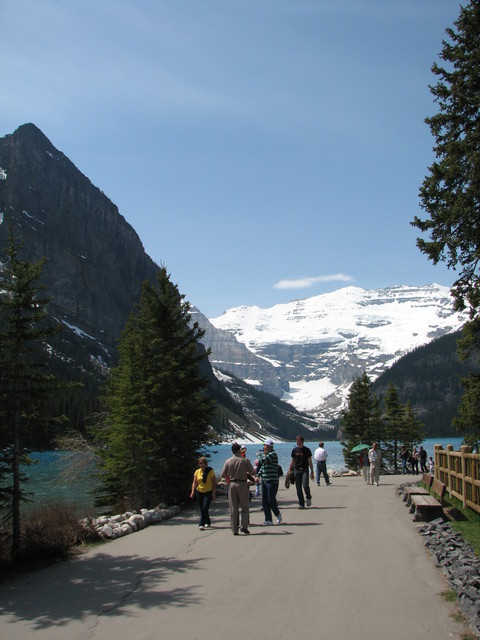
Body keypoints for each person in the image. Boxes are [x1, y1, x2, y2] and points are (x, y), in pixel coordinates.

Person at [220, 443, 255, 535]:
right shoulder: (245, 460)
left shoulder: (228, 461)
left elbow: (223, 474)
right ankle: (244, 526)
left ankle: (234, 529)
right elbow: (252, 471)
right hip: (243, 483)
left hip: (232, 484)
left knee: (233, 507)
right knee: (245, 506)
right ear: (240, 450)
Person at [256, 438, 282, 525]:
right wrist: (258, 476)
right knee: (264, 501)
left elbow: (261, 461)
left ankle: (277, 513)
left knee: (271, 499)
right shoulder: (266, 455)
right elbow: (262, 467)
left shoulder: (272, 454)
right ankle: (268, 519)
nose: (264, 447)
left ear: (268, 446)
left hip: (272, 481)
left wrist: (259, 456)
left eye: (264, 445)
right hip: (264, 480)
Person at [190, 457, 216, 530]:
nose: (202, 464)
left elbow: (214, 482)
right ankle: (207, 521)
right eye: (201, 463)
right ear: (199, 464)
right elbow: (194, 483)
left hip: (208, 492)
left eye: (204, 463)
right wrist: (192, 492)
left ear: (206, 464)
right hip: (199, 492)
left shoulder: (210, 471)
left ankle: (201, 523)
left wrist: (214, 492)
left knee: (205, 507)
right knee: (202, 508)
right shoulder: (197, 472)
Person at [288, 435, 314, 508]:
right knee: (298, 487)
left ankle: (308, 497)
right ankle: (301, 503)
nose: (297, 442)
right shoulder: (294, 450)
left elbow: (310, 461)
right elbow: (292, 461)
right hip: (296, 470)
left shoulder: (307, 450)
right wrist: (289, 470)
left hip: (305, 469)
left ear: (302, 441)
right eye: (296, 441)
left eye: (298, 441)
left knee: (305, 485)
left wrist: (312, 471)